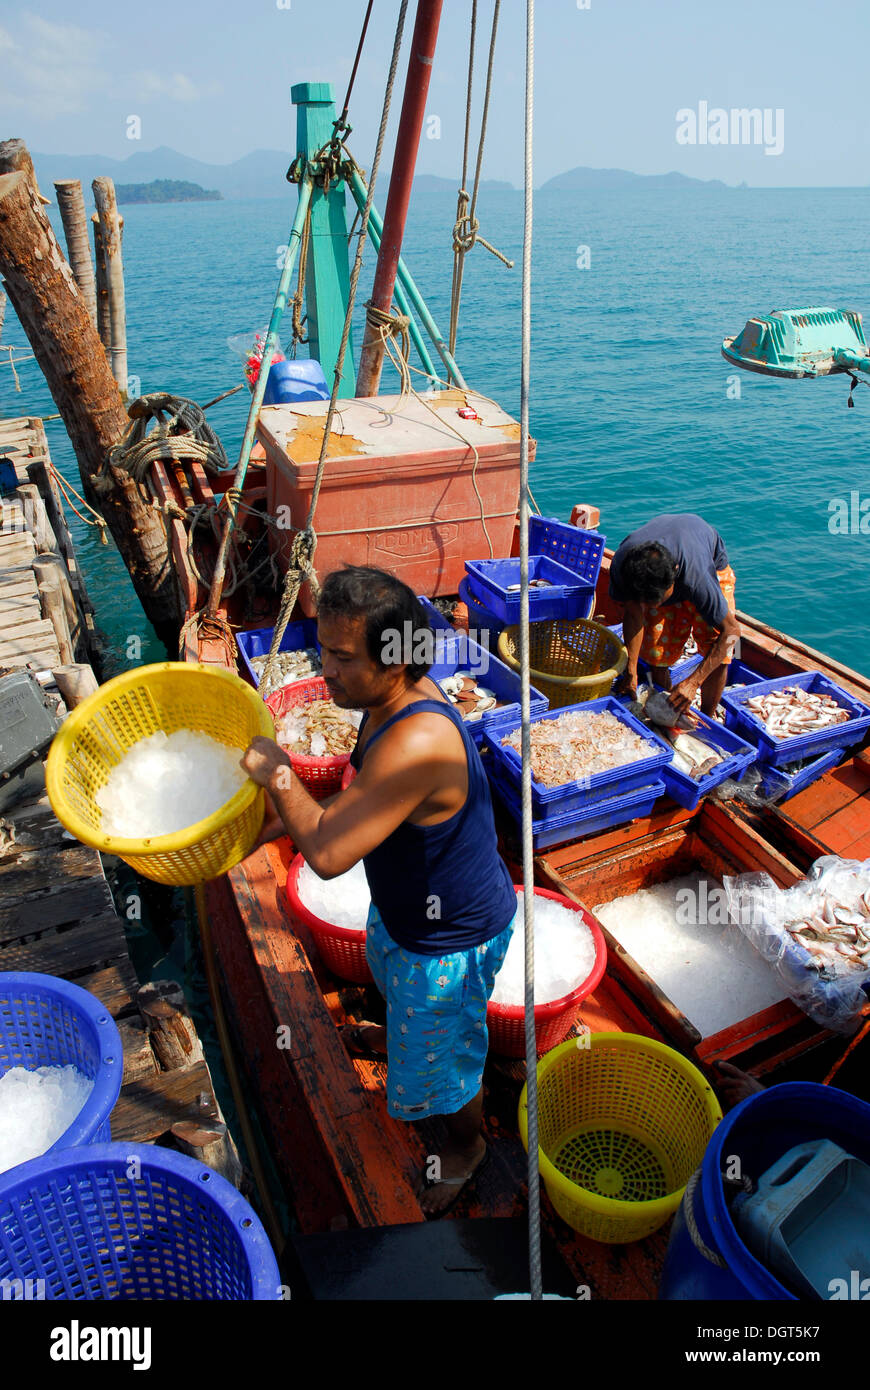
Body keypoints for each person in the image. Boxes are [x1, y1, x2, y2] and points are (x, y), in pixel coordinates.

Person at [241, 566, 517, 1217]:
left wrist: (281, 778)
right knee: (400, 994)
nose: (326, 671)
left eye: (341, 657)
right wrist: (258, 828)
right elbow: (355, 795)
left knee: (445, 1065)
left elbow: (332, 853)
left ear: (393, 662)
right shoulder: (383, 702)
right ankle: (402, 1031)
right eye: (322, 651)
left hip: (449, 939)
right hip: (405, 914)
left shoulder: (418, 737)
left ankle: (466, 1146)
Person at [609, 512, 741, 717]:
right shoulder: (622, 566)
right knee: (655, 650)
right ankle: (665, 708)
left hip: (709, 565)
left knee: (721, 653)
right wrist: (631, 668)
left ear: (676, 574)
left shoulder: (698, 578)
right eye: (648, 601)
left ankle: (708, 716)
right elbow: (634, 614)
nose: (655, 606)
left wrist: (693, 683)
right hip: (657, 570)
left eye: (659, 600)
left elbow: (732, 631)